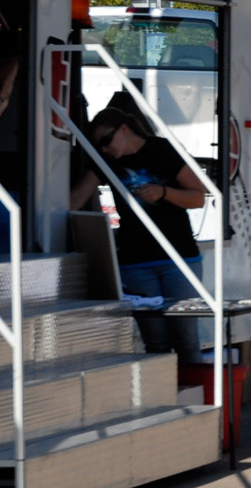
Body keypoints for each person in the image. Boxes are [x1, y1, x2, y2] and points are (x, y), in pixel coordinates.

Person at [70, 107, 208, 345]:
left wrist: (163, 192)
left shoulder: (162, 149)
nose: (104, 148)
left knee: (186, 338)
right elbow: (75, 200)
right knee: (155, 341)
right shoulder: (105, 161)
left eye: (106, 140)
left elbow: (198, 197)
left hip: (179, 258)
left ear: (124, 129)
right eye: (98, 145)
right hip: (136, 263)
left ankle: (191, 382)